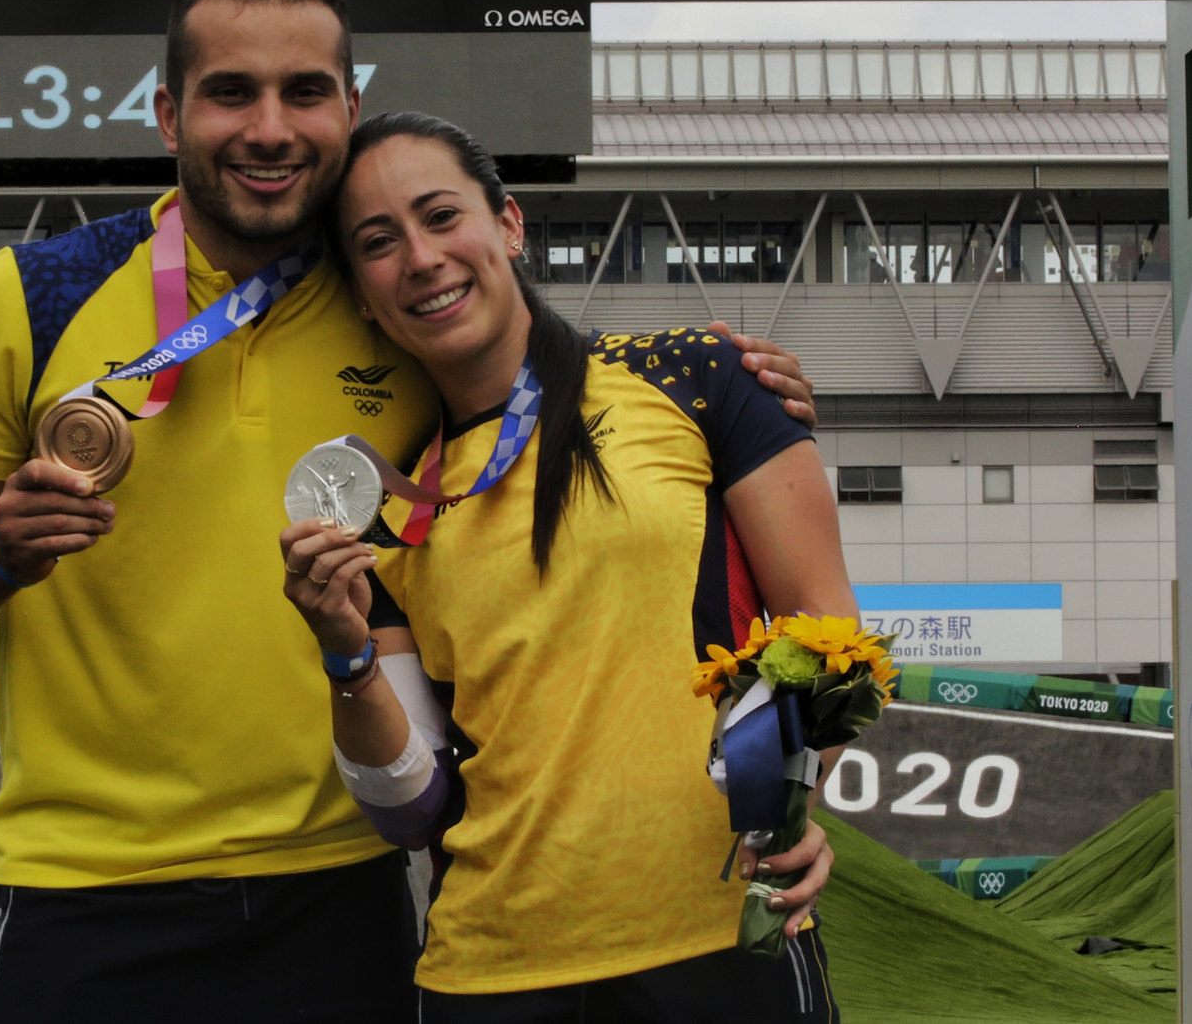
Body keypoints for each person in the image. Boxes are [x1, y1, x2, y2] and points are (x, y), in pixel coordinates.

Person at [0, 0, 818, 1023]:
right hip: (78, 891)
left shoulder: (392, 300)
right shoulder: (29, 299)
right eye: (230, 92)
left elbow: (534, 378)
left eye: (304, 92)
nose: (269, 128)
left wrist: (728, 384)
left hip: (337, 893)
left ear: (347, 103)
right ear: (169, 115)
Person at [280, 111, 857, 1024]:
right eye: (379, 242)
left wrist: (785, 800)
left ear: (508, 224)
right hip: (489, 975)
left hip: (721, 945)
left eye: (441, 216)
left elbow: (827, 630)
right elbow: (413, 809)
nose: (422, 258)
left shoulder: (701, 377)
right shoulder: (387, 517)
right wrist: (344, 656)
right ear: (362, 293)